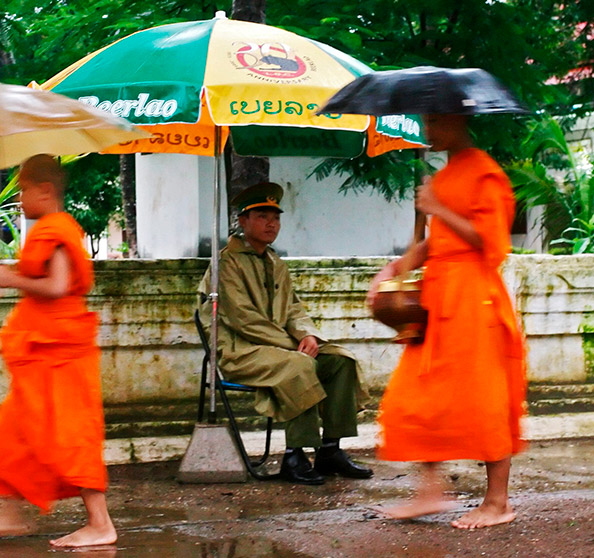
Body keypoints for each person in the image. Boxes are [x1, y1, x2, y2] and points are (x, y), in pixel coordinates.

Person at [367, 114, 527, 529]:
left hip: (475, 299)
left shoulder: (485, 173)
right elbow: (435, 240)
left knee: (484, 398)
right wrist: (393, 270)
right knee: (418, 395)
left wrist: (437, 206)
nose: (428, 131)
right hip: (437, 299)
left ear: (458, 118)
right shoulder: (446, 174)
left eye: (435, 121)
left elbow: (491, 242)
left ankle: (497, 502)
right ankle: (431, 492)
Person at [0, 154, 116, 548]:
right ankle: (8, 512)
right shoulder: (52, 229)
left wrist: (10, 279)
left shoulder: (55, 229)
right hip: (47, 348)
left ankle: (100, 522)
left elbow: (57, 287)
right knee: (16, 429)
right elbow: (44, 281)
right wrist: (10, 282)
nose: (19, 197)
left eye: (23, 189)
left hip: (60, 351)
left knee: (70, 435)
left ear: (46, 190)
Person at [198, 182, 373, 485]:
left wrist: (308, 336)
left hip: (280, 349)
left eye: (275, 217)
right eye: (262, 216)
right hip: (240, 350)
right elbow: (242, 319)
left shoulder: (275, 262)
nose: (271, 223)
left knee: (341, 361)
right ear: (242, 220)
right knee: (300, 365)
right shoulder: (225, 262)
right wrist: (293, 346)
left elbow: (294, 309)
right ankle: (295, 455)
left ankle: (330, 449)